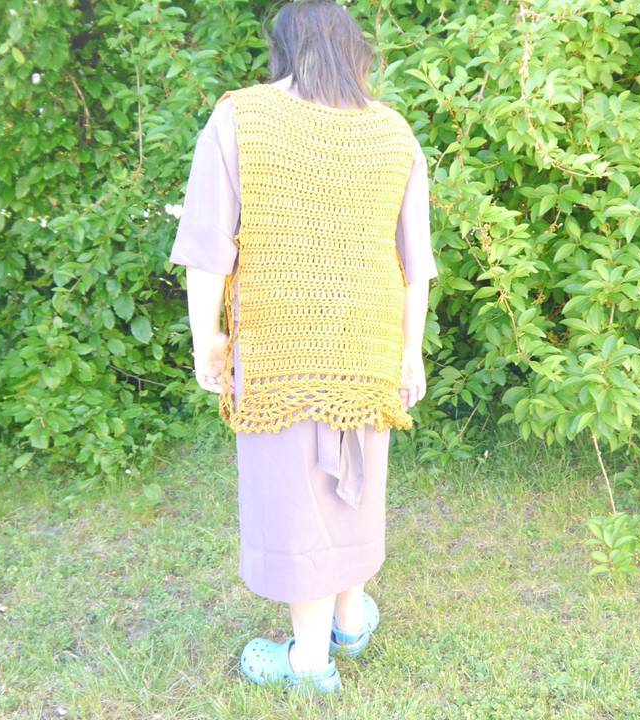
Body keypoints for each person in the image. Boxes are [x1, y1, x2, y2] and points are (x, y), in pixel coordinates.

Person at [167, 0, 438, 695]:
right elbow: (416, 262)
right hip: (370, 344)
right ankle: (349, 620)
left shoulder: (242, 118)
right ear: (355, 49)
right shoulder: (394, 132)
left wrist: (207, 338)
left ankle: (310, 662)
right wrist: (410, 351)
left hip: (278, 350)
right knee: (353, 487)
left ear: (284, 47)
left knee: (293, 497)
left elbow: (207, 247)